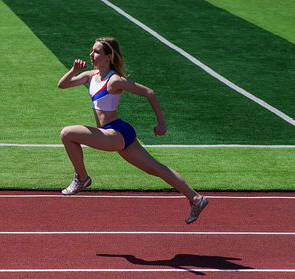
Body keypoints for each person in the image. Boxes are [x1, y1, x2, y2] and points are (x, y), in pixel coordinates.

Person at [57, 37, 208, 224]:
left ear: (109, 56)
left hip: (114, 133)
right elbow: (62, 85)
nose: (91, 54)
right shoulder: (91, 76)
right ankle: (195, 198)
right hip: (120, 132)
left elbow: (149, 92)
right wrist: (73, 70)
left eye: (96, 52)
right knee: (155, 168)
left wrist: (161, 123)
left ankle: (82, 178)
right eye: (91, 50)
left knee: (67, 134)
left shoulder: (114, 81)